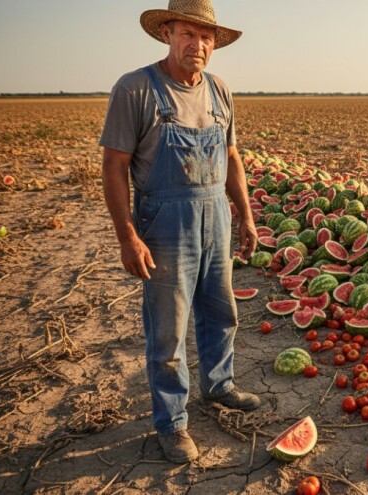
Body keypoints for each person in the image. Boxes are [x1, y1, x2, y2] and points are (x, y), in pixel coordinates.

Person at [100, 0, 259, 464]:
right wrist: (127, 236)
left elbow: (231, 158)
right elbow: (114, 167)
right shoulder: (136, 89)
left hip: (217, 218)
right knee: (167, 331)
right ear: (167, 32)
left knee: (221, 311)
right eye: (188, 33)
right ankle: (171, 422)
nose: (198, 44)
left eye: (206, 37)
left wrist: (244, 215)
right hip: (164, 225)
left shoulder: (220, 90)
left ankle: (219, 384)